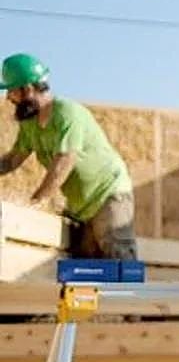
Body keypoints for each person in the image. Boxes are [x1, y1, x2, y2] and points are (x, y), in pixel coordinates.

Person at [0, 53, 137, 260]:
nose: (9, 98)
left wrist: (37, 201)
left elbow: (65, 161)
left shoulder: (67, 112)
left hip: (108, 194)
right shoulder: (29, 126)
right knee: (83, 269)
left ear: (27, 89)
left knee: (118, 261)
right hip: (80, 207)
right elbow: (12, 160)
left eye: (12, 92)